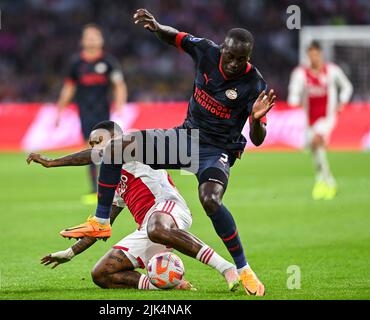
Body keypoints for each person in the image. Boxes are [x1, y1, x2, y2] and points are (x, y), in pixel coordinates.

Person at [29, 8, 275, 296]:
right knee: (116, 148)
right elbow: (176, 37)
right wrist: (157, 27)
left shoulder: (254, 84)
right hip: (186, 139)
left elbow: (257, 140)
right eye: (230, 57)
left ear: (249, 58)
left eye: (241, 59)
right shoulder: (206, 51)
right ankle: (101, 221)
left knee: (210, 200)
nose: (234, 64)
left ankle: (243, 269)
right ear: (223, 49)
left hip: (216, 151)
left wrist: (256, 120)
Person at [29, 121, 240, 292]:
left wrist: (52, 162)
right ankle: (167, 285)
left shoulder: (134, 146)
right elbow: (102, 226)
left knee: (156, 227)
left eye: (98, 142)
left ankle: (227, 268)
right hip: (148, 228)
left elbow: (102, 154)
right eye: (92, 144)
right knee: (102, 274)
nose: (95, 148)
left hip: (168, 208)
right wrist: (70, 253)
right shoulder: (113, 181)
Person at [55, 23, 128, 204]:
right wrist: (60, 110)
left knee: (103, 151)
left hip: (103, 114)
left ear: (101, 40)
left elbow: (119, 85)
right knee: (91, 151)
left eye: (95, 36)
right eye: (88, 37)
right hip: (84, 113)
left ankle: (108, 188)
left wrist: (120, 106)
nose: (92, 40)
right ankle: (96, 189)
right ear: (82, 41)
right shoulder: (76, 63)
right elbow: (69, 87)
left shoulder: (108, 62)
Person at [288, 41, 353, 200]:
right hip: (309, 120)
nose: (314, 57)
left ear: (321, 54)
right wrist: (295, 101)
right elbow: (293, 96)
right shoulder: (301, 73)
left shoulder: (332, 71)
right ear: (307, 56)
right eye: (311, 54)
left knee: (317, 142)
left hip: (327, 118)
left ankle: (325, 182)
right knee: (315, 150)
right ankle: (324, 181)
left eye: (316, 54)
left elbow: (347, 86)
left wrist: (342, 101)